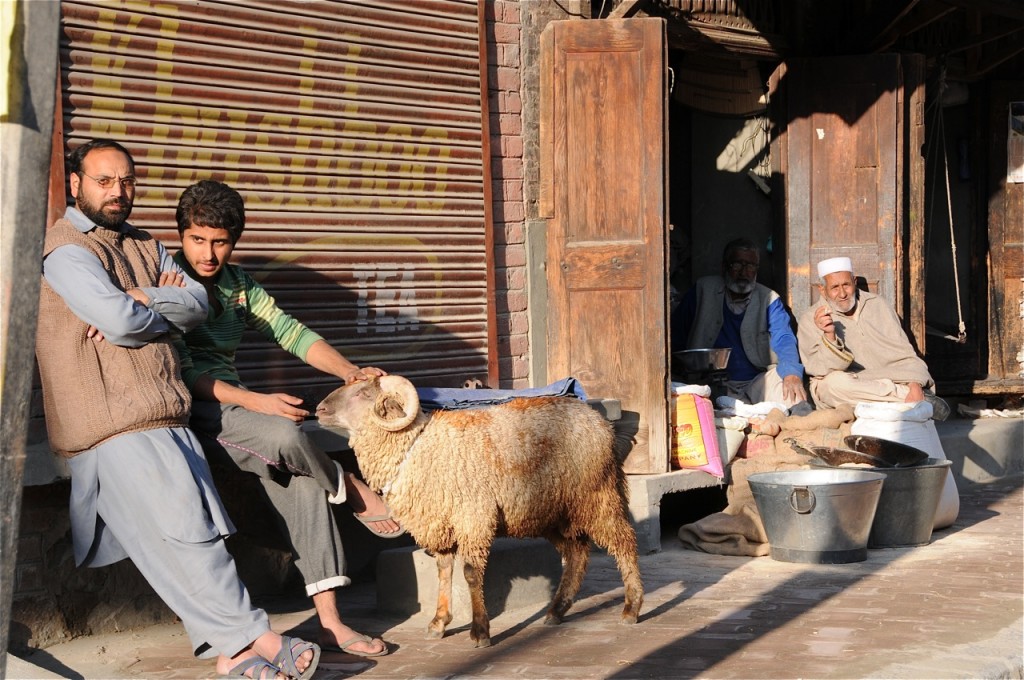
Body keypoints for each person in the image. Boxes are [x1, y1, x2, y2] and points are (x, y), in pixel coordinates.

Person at [36, 139, 320, 679]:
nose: (117, 192)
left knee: (181, 541)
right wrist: (155, 302)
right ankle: (257, 635)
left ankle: (231, 657)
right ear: (74, 184)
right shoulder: (67, 250)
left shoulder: (144, 242)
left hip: (164, 411)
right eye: (103, 181)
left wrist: (141, 300)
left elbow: (198, 303)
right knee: (191, 536)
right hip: (113, 420)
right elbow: (120, 321)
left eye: (126, 180)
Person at [171, 179, 395, 658]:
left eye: (220, 241)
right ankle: (351, 488)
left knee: (300, 480)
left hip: (237, 412)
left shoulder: (238, 285)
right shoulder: (168, 279)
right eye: (197, 239)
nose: (208, 253)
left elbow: (291, 333)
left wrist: (352, 372)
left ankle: (331, 623)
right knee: (283, 430)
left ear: (234, 241)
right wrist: (257, 401)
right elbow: (182, 372)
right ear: (182, 235)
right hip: (195, 410)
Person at [797, 256, 950, 420]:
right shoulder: (810, 319)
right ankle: (905, 400)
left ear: (854, 282)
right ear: (822, 289)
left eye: (846, 285)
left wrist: (915, 384)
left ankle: (893, 403)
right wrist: (830, 336)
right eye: (834, 287)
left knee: (907, 383)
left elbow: (905, 354)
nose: (842, 293)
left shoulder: (878, 305)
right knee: (833, 384)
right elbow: (818, 370)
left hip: (891, 377)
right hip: (853, 383)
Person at [671, 238, 809, 411]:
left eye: (750, 266)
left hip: (759, 380)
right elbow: (676, 333)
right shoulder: (703, 289)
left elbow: (784, 338)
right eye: (737, 265)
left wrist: (791, 373)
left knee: (792, 398)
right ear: (724, 266)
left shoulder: (769, 298)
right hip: (713, 382)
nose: (744, 272)